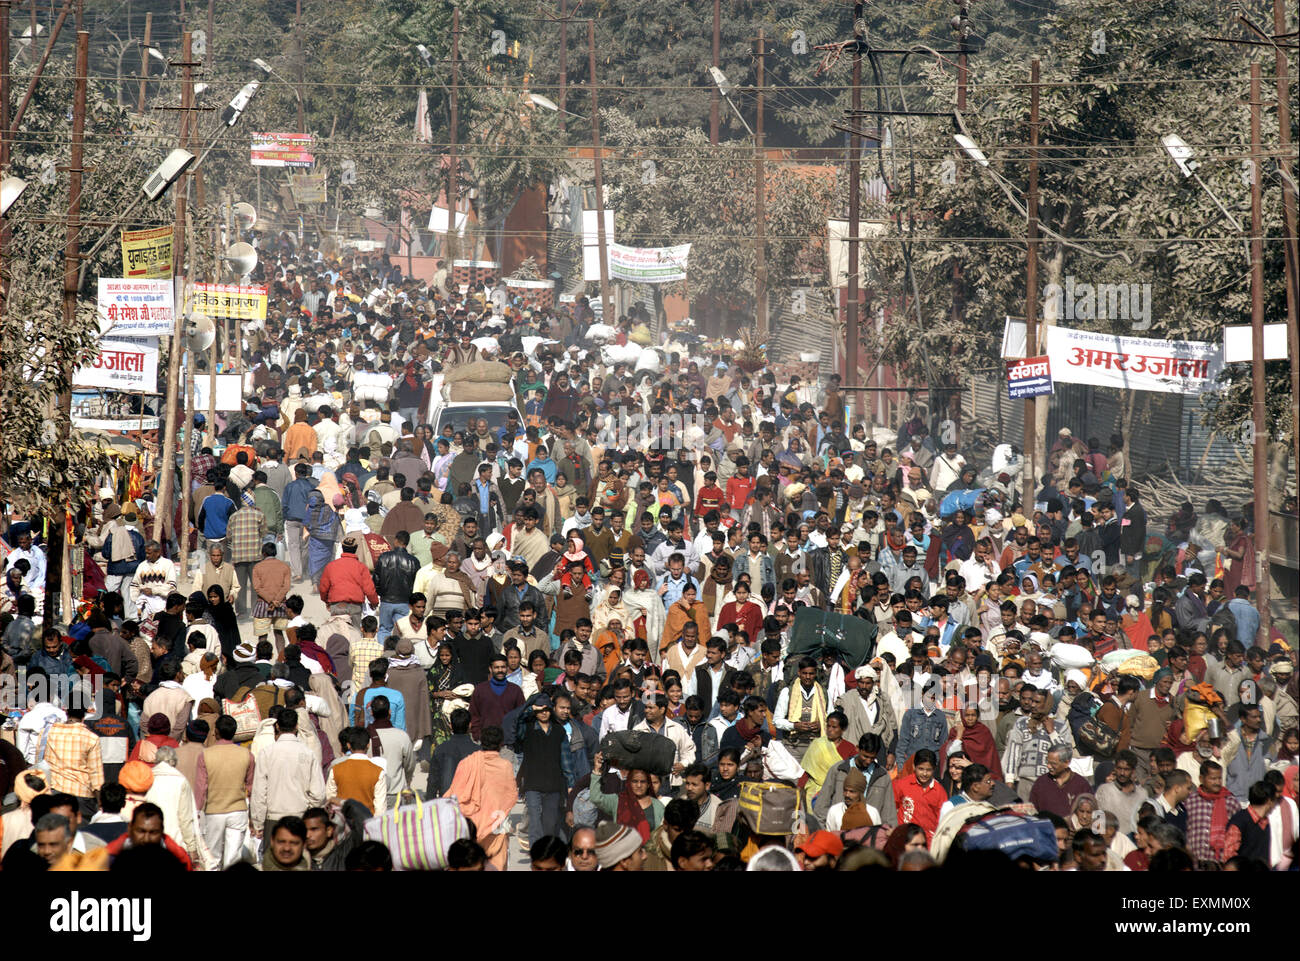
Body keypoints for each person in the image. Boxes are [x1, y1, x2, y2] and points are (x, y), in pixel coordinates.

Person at [250, 709, 325, 843]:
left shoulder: (266, 753)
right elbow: (318, 794)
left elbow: (259, 792)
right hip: (300, 817)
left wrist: (258, 823)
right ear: (296, 726)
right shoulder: (308, 753)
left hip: (273, 819)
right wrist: (307, 810)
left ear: (277, 726)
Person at [448, 725, 517, 871]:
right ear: (500, 744)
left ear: (481, 742)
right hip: (496, 827)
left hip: (471, 828)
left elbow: (454, 794)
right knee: (496, 866)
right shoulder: (505, 766)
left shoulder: (466, 763)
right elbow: (510, 796)